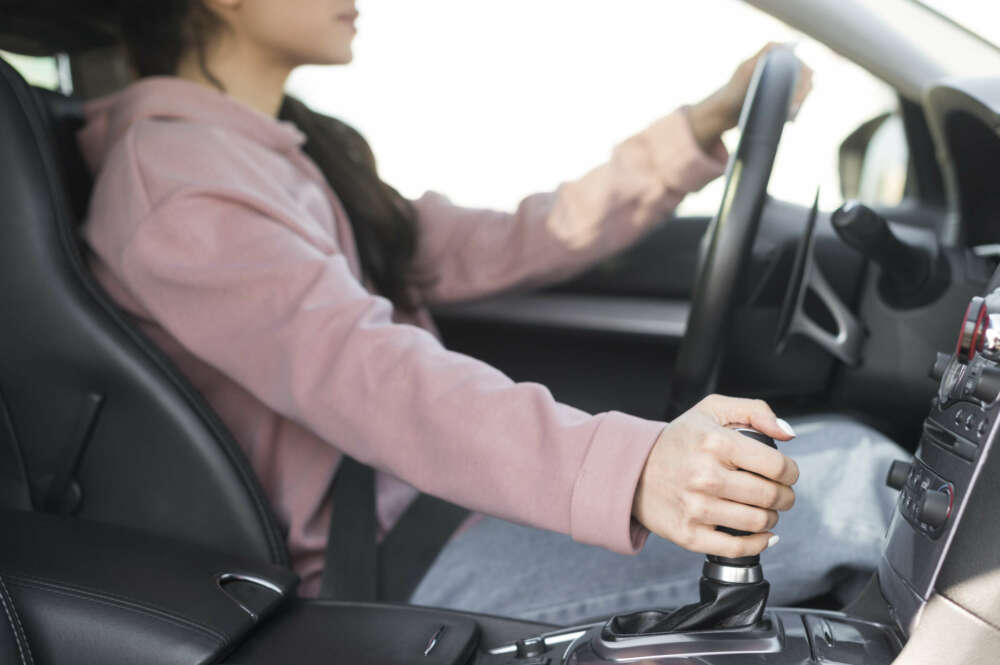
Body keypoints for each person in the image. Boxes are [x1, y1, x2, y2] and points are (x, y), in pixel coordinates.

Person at [78, 0, 904, 622]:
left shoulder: (274, 151)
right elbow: (373, 377)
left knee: (864, 475)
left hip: (440, 516)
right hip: (389, 571)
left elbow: (510, 238)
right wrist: (635, 469)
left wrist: (698, 127)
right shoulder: (179, 183)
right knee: (862, 489)